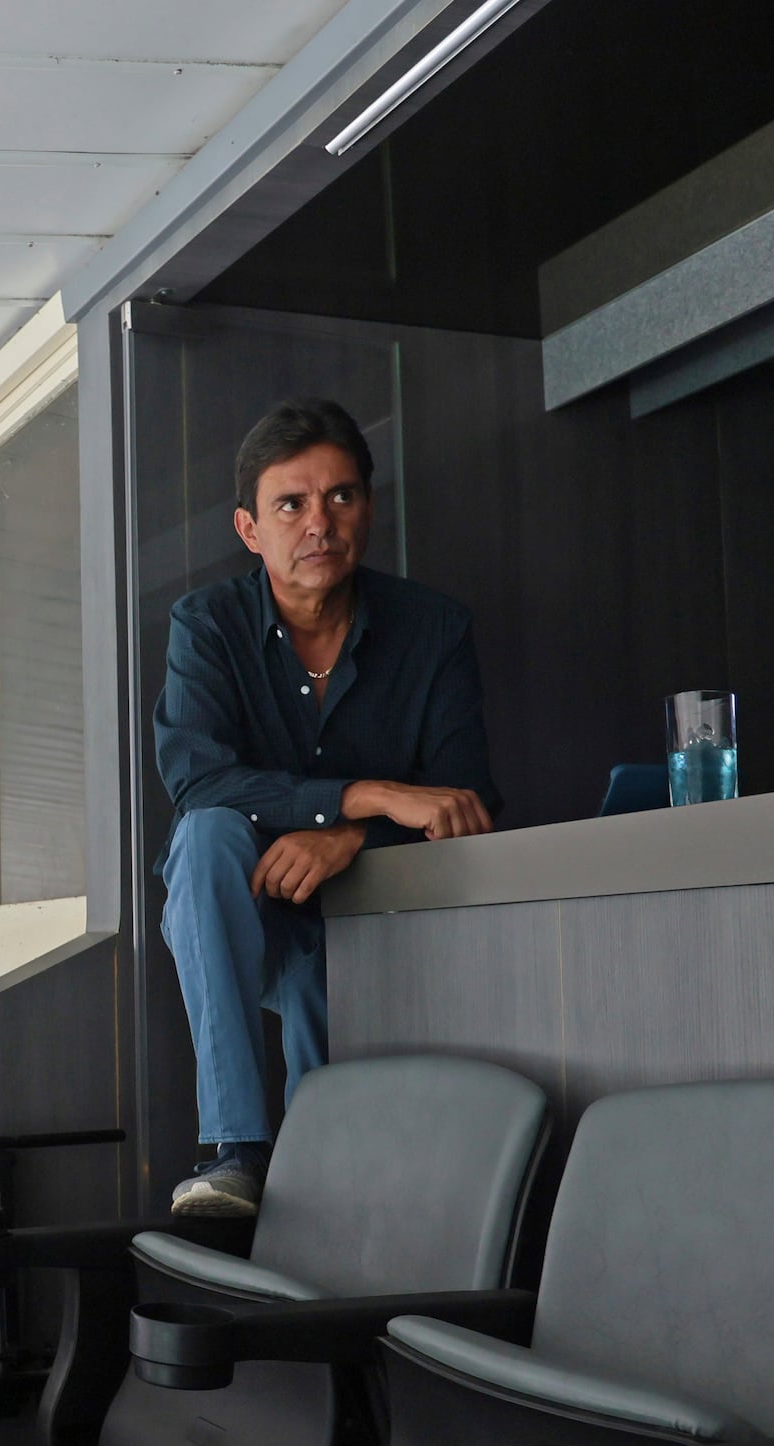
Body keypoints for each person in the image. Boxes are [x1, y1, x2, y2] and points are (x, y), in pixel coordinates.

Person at [157, 397, 500, 1216]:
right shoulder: (205, 627)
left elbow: (468, 801)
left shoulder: (435, 629)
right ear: (250, 529)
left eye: (341, 497)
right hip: (243, 906)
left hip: (375, 911)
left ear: (368, 508)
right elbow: (199, 780)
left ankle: (325, 1185)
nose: (320, 522)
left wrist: (349, 835)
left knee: (323, 998)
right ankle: (236, 1148)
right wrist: (363, 793)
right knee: (205, 836)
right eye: (292, 503)